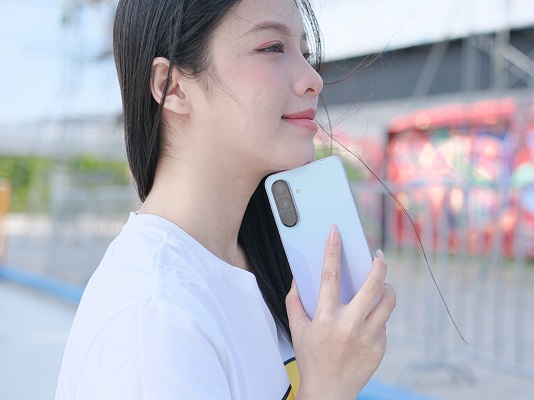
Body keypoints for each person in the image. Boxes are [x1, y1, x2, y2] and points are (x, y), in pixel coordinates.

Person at [55, 0, 396, 398]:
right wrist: (326, 389)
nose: (313, 79)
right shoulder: (153, 320)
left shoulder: (257, 261)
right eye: (272, 47)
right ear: (172, 86)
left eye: (304, 53)